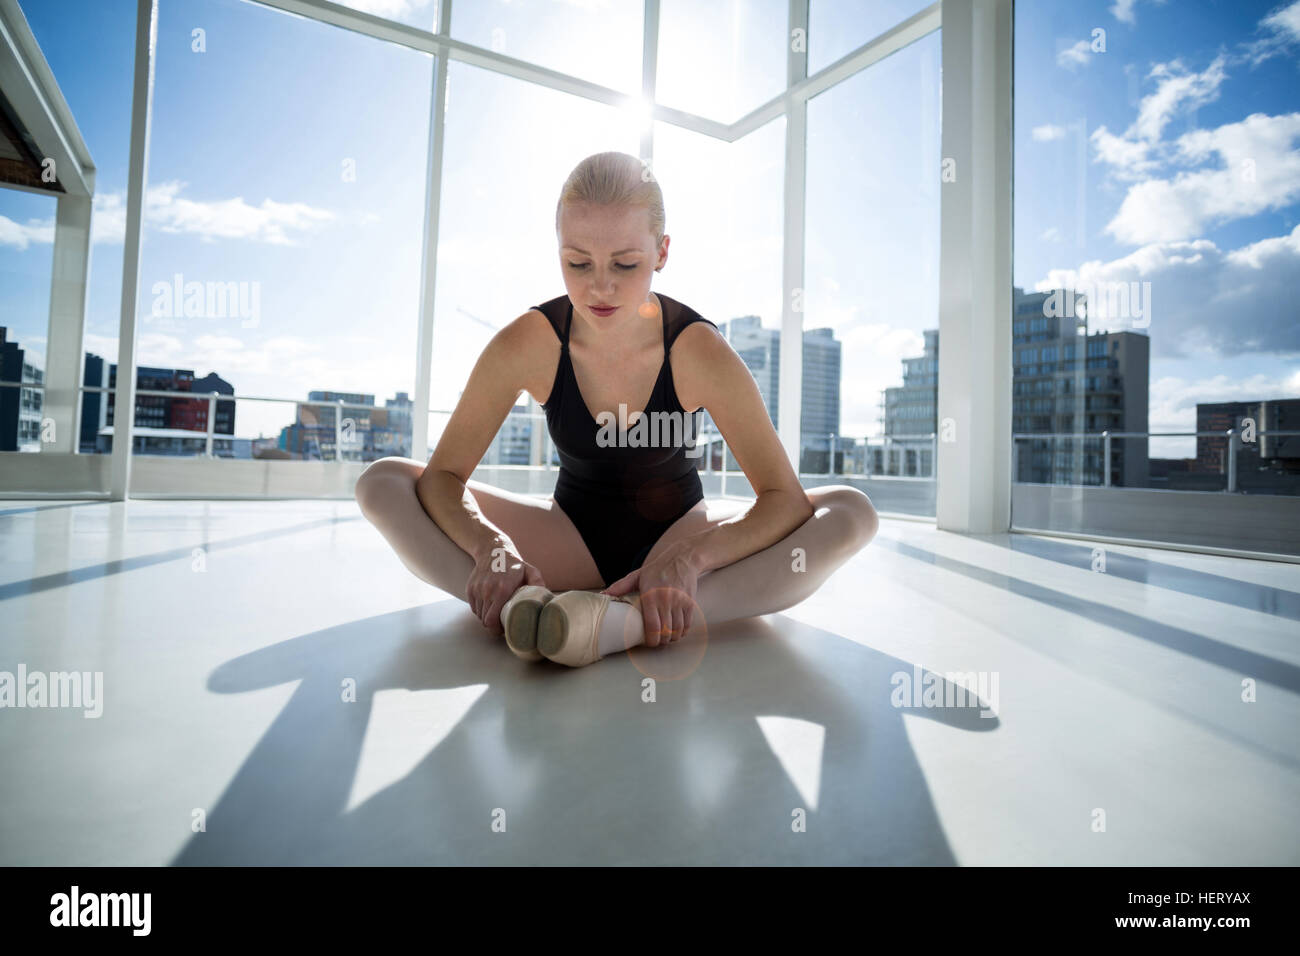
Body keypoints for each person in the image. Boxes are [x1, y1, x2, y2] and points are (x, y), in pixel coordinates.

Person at [355, 151, 878, 667]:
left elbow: (783, 499)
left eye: (625, 264)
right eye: (577, 262)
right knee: (382, 482)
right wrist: (490, 546)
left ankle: (624, 622)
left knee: (851, 513)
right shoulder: (527, 343)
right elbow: (443, 476)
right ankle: (520, 602)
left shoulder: (698, 349)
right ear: (557, 249)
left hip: (676, 542)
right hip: (565, 543)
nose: (598, 287)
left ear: (662, 253)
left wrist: (689, 558)